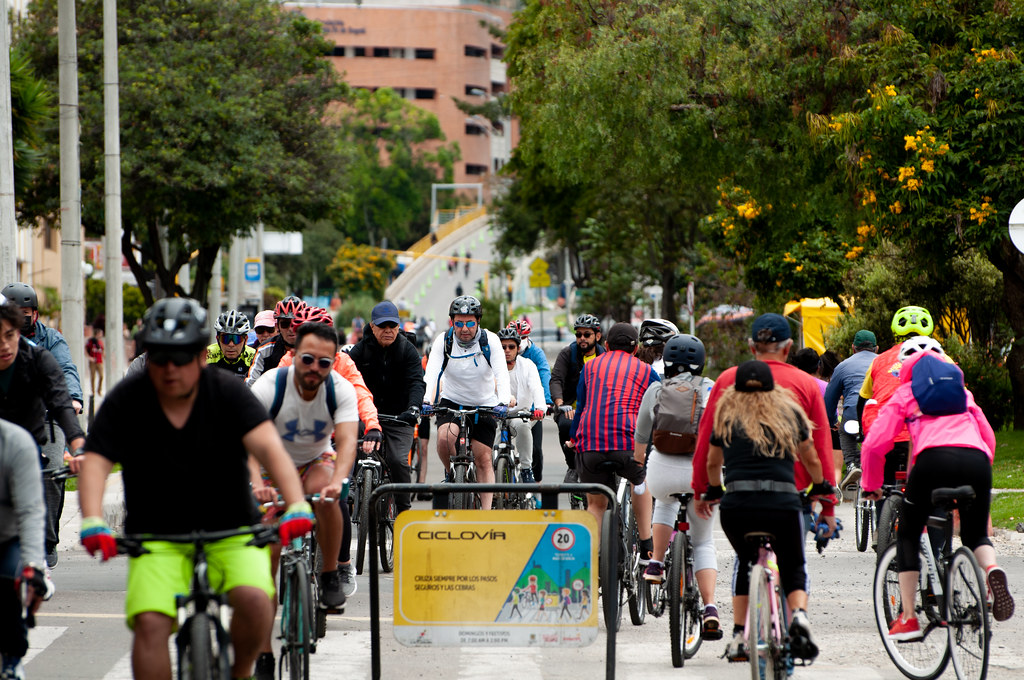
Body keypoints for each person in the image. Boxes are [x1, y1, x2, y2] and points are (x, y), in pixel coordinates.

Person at [77, 297, 310, 680]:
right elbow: (97, 462)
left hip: (232, 528)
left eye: (181, 357)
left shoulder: (228, 392)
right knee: (150, 625)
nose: (170, 368)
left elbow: (269, 447)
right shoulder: (127, 398)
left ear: (202, 356)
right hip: (156, 535)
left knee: (255, 601)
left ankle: (239, 672)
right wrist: (90, 519)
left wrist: (298, 503)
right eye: (160, 357)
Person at [691, 313, 838, 661]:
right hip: (794, 496)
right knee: (793, 562)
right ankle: (796, 620)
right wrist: (828, 502)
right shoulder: (803, 385)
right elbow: (818, 449)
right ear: (789, 348)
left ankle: (741, 633)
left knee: (745, 561)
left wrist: (704, 490)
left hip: (738, 499)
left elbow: (706, 448)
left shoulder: (729, 380)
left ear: (751, 347)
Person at [861, 338, 1015, 637]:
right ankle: (991, 569)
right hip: (976, 461)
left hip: (932, 460)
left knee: (907, 532)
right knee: (975, 535)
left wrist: (871, 485)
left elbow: (875, 444)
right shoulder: (963, 393)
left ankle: (907, 616)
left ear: (903, 368)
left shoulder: (905, 392)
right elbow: (988, 436)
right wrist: (982, 471)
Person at [249, 320, 359, 679]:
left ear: (334, 362)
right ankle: (264, 654)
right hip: (270, 464)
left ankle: (329, 576)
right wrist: (256, 485)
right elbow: (247, 443)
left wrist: (339, 482)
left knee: (328, 492)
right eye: (307, 359)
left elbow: (345, 444)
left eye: (324, 363)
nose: (315, 369)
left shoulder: (340, 390)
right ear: (293, 354)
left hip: (315, 460)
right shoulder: (269, 386)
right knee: (264, 563)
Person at [276, 306, 381, 596]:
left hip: (331, 441)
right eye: (308, 351)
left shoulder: (343, 365)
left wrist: (372, 426)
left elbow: (361, 394)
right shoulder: (285, 364)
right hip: (290, 441)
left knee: (337, 498)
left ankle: (342, 563)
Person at [634, 334, 720, 639]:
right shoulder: (710, 388)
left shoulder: (656, 389)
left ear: (666, 360)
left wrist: (638, 467)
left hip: (663, 471)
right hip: (701, 472)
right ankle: (710, 608)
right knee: (703, 543)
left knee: (666, 502)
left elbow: (642, 436)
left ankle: (656, 562)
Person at [0, 282, 84, 570]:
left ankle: (44, 547)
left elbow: (62, 390)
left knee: (48, 480)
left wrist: (78, 443)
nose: (4, 344)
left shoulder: (42, 351)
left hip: (40, 426)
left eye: (10, 334)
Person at [569, 322, 658, 542]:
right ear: (635, 349)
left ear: (606, 345)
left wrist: (573, 438)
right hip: (628, 445)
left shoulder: (589, 368)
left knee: (596, 505)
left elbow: (581, 407)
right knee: (640, 482)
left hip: (590, 446)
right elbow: (657, 411)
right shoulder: (647, 371)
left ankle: (594, 560)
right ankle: (647, 543)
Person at [422, 295, 511, 511]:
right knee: (443, 439)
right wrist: (426, 399)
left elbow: (502, 373)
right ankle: (451, 473)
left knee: (483, 459)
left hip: (484, 404)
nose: (464, 328)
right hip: (452, 401)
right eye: (458, 323)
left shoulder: (490, 341)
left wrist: (504, 402)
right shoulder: (443, 341)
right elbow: (432, 373)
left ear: (478, 321)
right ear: (452, 322)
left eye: (470, 323)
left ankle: (486, 512)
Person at [347, 300, 426, 515]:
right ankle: (352, 488)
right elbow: (345, 381)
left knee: (398, 461)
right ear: (372, 327)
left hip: (399, 417)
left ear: (399, 327)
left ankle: (403, 511)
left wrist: (413, 409)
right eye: (382, 326)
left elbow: (416, 383)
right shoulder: (359, 351)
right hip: (366, 416)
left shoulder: (407, 350)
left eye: (392, 326)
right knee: (349, 448)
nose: (388, 330)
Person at [858, 306, 933, 491]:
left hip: (887, 436)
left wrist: (861, 431)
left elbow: (864, 400)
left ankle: (883, 509)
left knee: (883, 486)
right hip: (926, 436)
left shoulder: (879, 360)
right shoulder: (941, 358)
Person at [0, 418, 49, 680]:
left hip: (7, 537)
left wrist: (34, 567)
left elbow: (30, 512)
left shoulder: (16, 443)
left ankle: (11, 658)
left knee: (9, 582)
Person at [550, 314, 604, 481]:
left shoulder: (604, 357)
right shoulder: (568, 354)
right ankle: (572, 466)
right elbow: (556, 379)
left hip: (597, 410)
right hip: (570, 409)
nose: (582, 338)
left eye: (587, 335)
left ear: (597, 336)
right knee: (566, 425)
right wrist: (560, 403)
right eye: (578, 335)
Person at [824, 329, 878, 491]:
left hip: (853, 415)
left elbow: (829, 400)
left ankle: (853, 464)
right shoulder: (884, 362)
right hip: (879, 415)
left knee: (844, 431)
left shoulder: (842, 366)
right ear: (876, 348)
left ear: (853, 348)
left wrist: (833, 421)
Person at [497, 327, 546, 483]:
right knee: (487, 448)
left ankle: (526, 469)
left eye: (511, 347)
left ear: (518, 348)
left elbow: (537, 388)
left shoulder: (528, 365)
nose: (507, 350)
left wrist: (539, 408)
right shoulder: (492, 367)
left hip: (520, 414)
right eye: (503, 347)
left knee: (523, 426)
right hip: (496, 416)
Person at [507, 318, 552, 480]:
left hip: (530, 408)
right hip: (503, 410)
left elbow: (543, 376)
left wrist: (545, 402)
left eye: (522, 338)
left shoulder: (535, 355)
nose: (510, 349)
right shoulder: (500, 356)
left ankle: (535, 483)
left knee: (536, 450)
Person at [247, 296, 306, 385]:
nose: (291, 329)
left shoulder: (314, 349)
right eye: (285, 324)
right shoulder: (264, 350)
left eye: (296, 323)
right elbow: (251, 383)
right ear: (277, 326)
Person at [207, 309, 256, 380]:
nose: (231, 344)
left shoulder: (254, 356)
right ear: (218, 339)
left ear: (246, 340)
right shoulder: (208, 354)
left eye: (236, 339)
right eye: (225, 339)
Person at [86, 322, 104, 396]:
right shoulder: (91, 341)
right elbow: (86, 349)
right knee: (93, 376)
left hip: (99, 361)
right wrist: (89, 357)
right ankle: (93, 391)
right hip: (93, 361)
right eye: (100, 333)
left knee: (101, 376)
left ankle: (99, 390)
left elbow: (102, 350)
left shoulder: (100, 342)